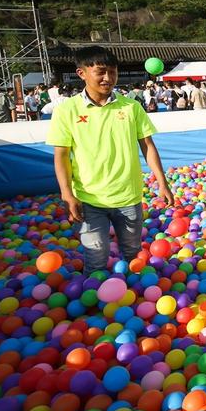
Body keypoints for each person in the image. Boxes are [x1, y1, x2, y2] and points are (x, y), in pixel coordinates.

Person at [46, 46, 173, 275]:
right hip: (89, 199)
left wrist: (162, 182)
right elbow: (61, 155)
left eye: (113, 72)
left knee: (133, 254)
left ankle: (134, 298)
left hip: (128, 196)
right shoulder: (67, 111)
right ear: (82, 73)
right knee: (96, 259)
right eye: (101, 72)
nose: (108, 78)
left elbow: (147, 146)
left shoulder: (131, 107)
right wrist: (67, 194)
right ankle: (95, 305)